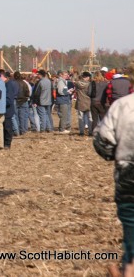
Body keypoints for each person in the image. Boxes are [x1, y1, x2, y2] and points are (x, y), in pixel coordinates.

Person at [93, 92, 134, 277]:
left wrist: (119, 153)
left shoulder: (123, 105)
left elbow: (104, 143)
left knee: (131, 238)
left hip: (129, 178)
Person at [73, 71, 92, 136]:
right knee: (90, 118)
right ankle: (90, 131)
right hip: (88, 102)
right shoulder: (90, 84)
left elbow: (74, 80)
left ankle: (81, 132)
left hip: (80, 102)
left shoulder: (77, 83)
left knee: (80, 117)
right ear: (87, 77)